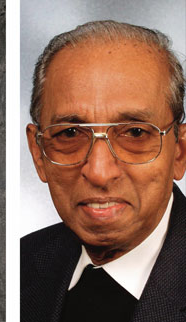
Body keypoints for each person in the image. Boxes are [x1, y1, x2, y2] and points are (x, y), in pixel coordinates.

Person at [22, 21, 186, 321]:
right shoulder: (24, 261)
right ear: (38, 154)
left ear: (179, 152)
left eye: (135, 133)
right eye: (70, 133)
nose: (99, 172)